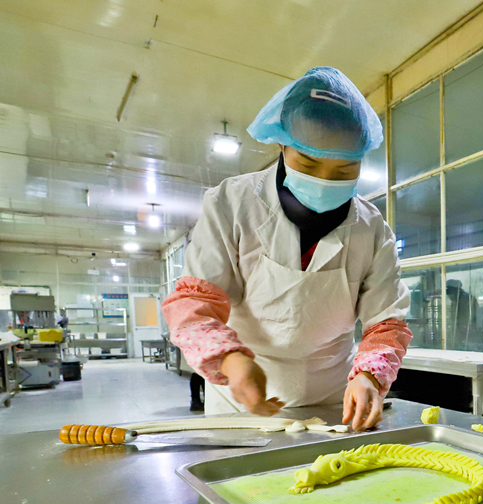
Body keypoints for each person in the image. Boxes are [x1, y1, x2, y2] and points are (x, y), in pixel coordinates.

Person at [162, 67, 411, 430]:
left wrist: (369, 377)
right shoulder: (232, 204)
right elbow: (194, 305)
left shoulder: (371, 229)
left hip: (334, 398)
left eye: (344, 171)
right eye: (308, 164)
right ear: (282, 146)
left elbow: (386, 323)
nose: (324, 180)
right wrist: (231, 360)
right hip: (242, 396)